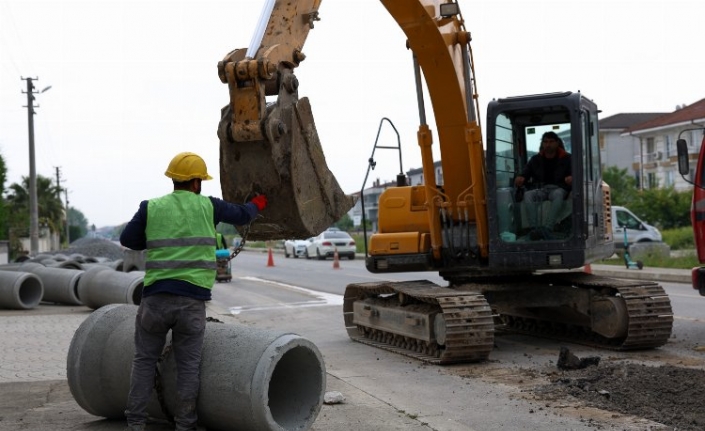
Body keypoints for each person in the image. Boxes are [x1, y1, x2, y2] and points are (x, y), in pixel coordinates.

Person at [120, 152, 267, 431]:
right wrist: (257, 203)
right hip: (191, 302)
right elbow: (243, 214)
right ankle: (185, 424)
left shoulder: (150, 207)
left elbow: (128, 239)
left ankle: (136, 423)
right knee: (188, 367)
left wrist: (151, 237)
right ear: (197, 183)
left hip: (155, 300)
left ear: (173, 180)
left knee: (144, 361)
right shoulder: (209, 207)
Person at [514, 131, 572, 237]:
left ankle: (548, 227)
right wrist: (521, 177)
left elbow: (575, 173)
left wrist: (571, 178)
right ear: (542, 144)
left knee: (558, 194)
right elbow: (525, 172)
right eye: (545, 142)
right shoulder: (535, 159)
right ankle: (533, 228)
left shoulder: (568, 158)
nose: (548, 144)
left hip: (559, 188)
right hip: (541, 189)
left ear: (557, 143)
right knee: (528, 195)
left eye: (551, 142)